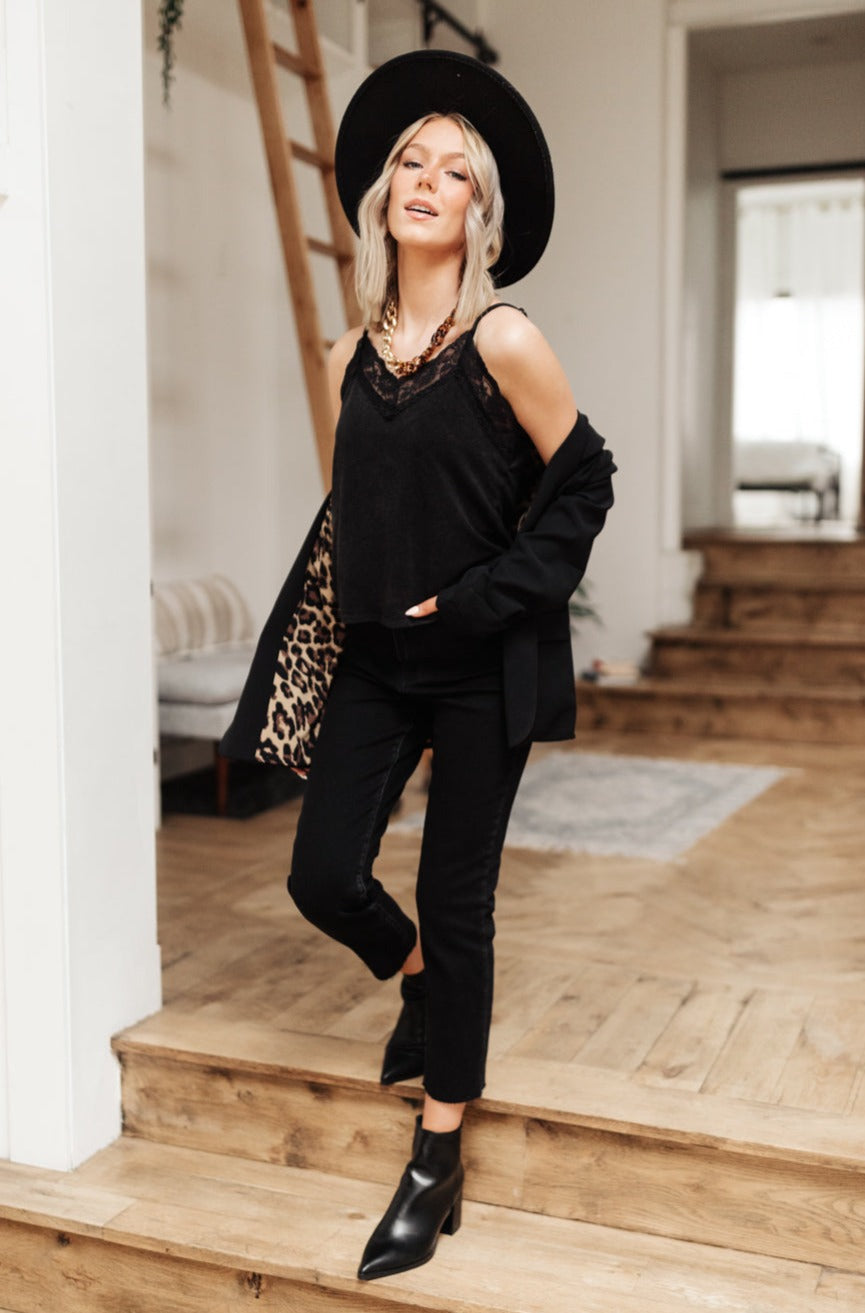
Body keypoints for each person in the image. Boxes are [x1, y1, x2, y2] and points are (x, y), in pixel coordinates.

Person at [220, 50, 615, 1282]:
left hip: (480, 662)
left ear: (479, 212)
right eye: (410, 161)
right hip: (378, 663)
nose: (425, 180)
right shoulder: (346, 352)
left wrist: (485, 595)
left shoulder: (505, 339)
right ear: (384, 193)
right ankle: (417, 975)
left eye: (454, 170)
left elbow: (585, 483)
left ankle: (436, 1153)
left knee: (458, 893)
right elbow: (361, 510)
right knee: (321, 873)